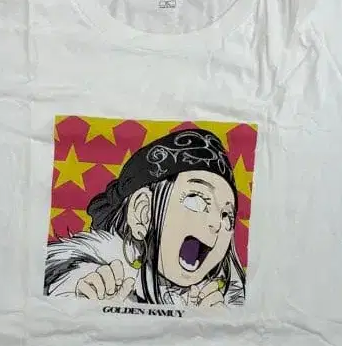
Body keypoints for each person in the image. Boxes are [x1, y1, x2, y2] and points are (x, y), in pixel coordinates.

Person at [45, 128, 247, 308]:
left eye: (226, 216)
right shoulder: (89, 281)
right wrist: (88, 309)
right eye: (196, 200)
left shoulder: (223, 301)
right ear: (142, 212)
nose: (216, 223)